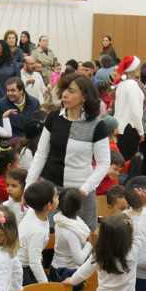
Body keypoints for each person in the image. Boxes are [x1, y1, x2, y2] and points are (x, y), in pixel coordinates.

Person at [27, 73, 110, 231]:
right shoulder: (53, 117)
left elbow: (104, 163)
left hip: (79, 192)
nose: (64, 94)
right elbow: (41, 154)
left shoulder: (97, 125)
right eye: (64, 89)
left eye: (71, 91)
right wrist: (29, 186)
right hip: (49, 190)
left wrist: (83, 190)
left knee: (81, 240)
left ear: (84, 97)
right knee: (47, 239)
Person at [64, 189, 146, 291]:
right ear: (127, 237)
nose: (134, 234)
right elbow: (143, 230)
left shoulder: (99, 255)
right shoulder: (132, 252)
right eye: (131, 232)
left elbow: (83, 271)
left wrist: (72, 281)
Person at [17, 181, 58, 285]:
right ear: (49, 205)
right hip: (22, 269)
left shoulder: (33, 210)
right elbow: (34, 262)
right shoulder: (37, 231)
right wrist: (45, 285)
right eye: (56, 196)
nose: (58, 197)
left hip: (26, 263)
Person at [0, 77, 41, 142]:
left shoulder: (34, 103)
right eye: (8, 90)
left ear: (21, 90)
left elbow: (37, 125)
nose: (9, 93)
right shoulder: (1, 104)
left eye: (13, 90)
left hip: (30, 141)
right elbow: (0, 126)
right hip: (11, 141)